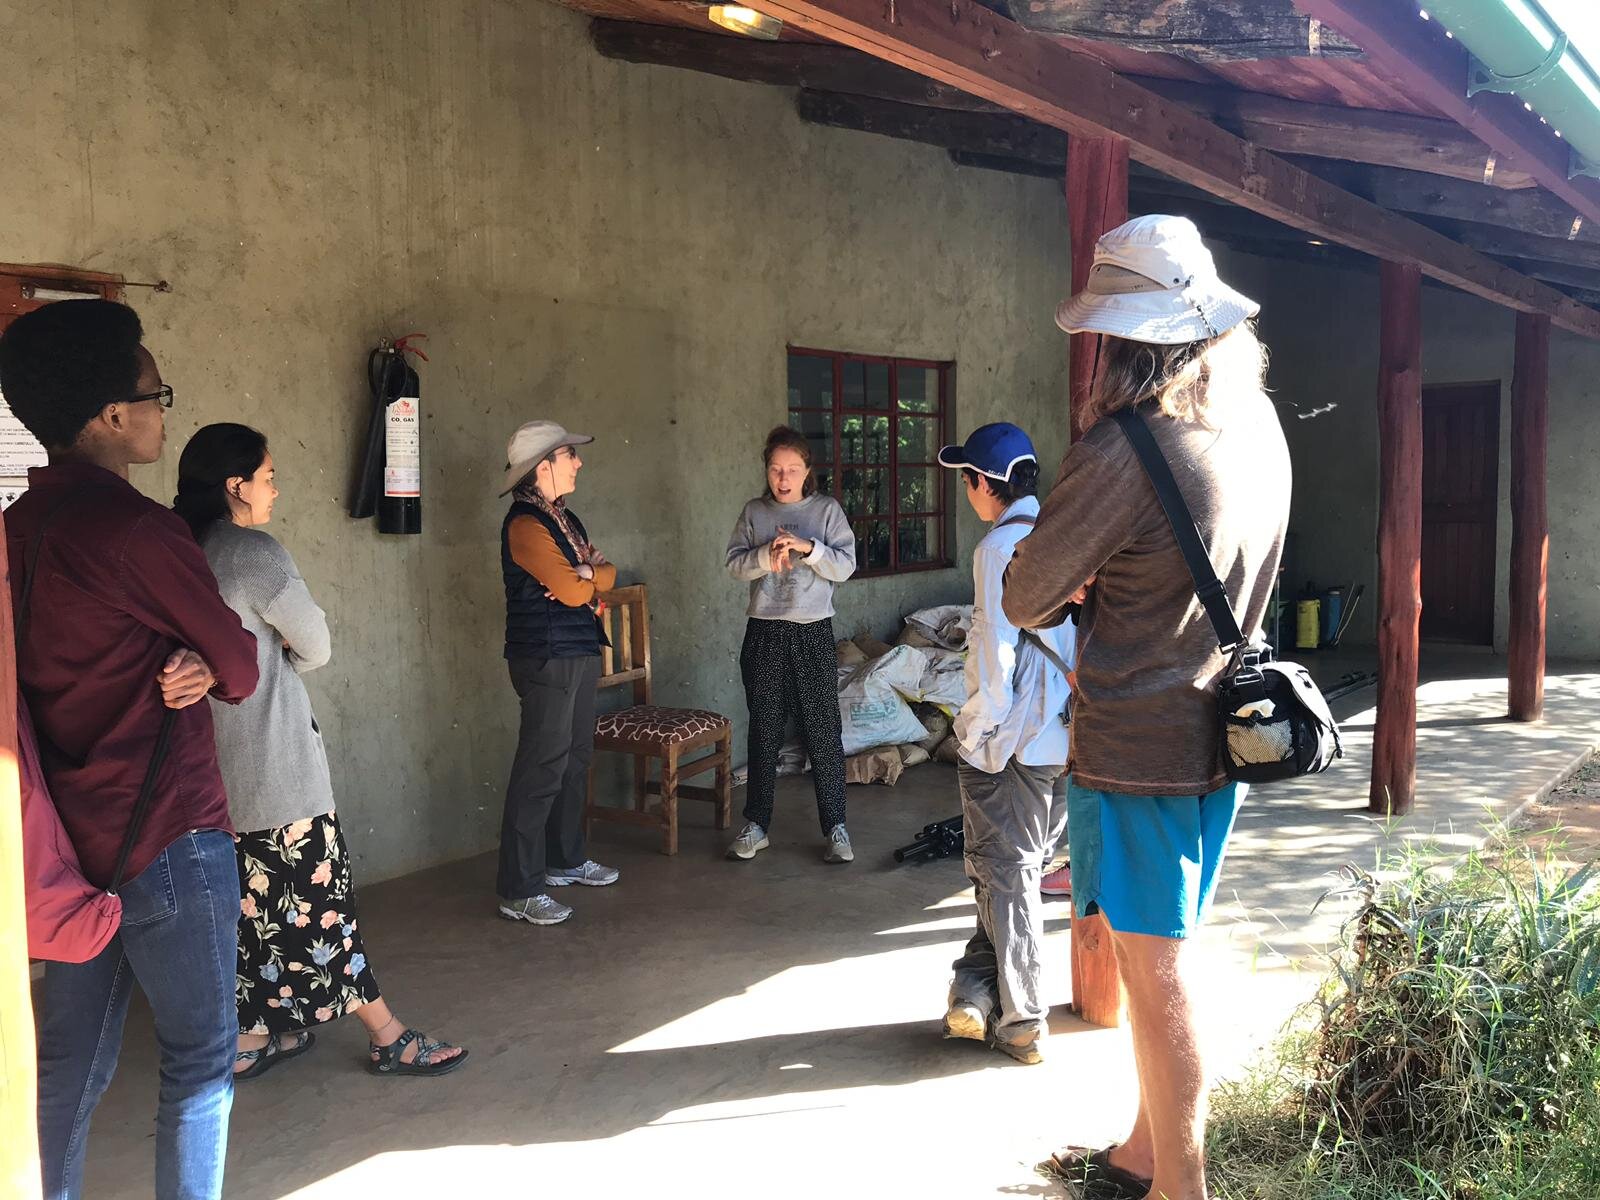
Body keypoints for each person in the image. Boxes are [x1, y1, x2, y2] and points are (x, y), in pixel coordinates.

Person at [1002, 215, 1290, 1200]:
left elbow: (1025, 592)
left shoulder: (1127, 447)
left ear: (1125, 337)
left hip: (1139, 744)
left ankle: (1183, 1189)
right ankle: (1142, 1152)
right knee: (1159, 955)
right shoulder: (1253, 426)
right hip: (1223, 735)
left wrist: (1088, 577)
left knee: (1157, 978)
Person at [1, 300, 259, 1200]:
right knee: (200, 1063)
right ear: (113, 416)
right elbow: (239, 663)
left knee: (67, 1067)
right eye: (158, 393)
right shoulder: (142, 532)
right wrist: (201, 658)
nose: (162, 411)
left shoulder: (16, 534)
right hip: (171, 837)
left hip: (69, 849)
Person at [174, 423, 467, 1080]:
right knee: (320, 910)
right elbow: (316, 645)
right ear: (235, 485)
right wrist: (276, 656)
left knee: (253, 915)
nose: (276, 487)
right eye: (269, 475)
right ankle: (388, 1036)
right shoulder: (253, 554)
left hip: (212, 775)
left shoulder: (181, 552)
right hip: (276, 769)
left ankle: (251, 1040)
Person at [936, 422, 1074, 1065]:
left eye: (967, 480)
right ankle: (974, 992)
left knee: (1008, 879)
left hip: (1011, 741)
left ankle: (1022, 1023)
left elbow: (995, 658)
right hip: (1061, 735)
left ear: (982, 484)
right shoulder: (1062, 532)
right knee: (1004, 875)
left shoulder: (998, 550)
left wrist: (973, 733)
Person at [496, 420, 621, 925]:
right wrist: (586, 578)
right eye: (570, 454)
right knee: (542, 766)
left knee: (574, 758)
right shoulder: (526, 525)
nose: (579, 462)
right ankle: (518, 888)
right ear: (543, 466)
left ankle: (564, 859)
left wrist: (588, 575)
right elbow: (574, 592)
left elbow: (604, 575)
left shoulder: (568, 522)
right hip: (546, 655)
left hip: (577, 649)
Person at [724, 425, 857, 864]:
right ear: (767, 470)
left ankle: (836, 827)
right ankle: (757, 825)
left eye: (792, 469)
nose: (783, 477)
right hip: (763, 631)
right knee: (763, 730)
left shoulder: (825, 511)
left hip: (812, 631)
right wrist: (766, 554)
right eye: (776, 469)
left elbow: (846, 566)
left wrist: (807, 547)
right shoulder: (754, 512)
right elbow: (735, 566)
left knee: (823, 731)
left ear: (806, 472)